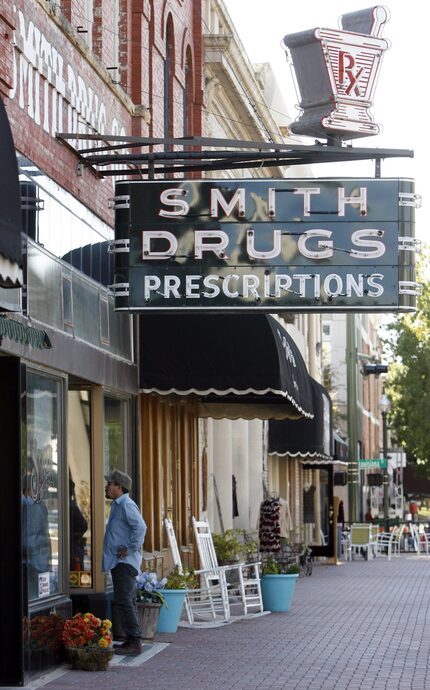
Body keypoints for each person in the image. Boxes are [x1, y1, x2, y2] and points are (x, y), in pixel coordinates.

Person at [103, 469, 146, 656]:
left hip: (125, 562)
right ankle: (131, 640)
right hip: (119, 561)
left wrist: (129, 549)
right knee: (127, 601)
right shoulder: (117, 505)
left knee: (124, 601)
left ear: (119, 487)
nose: (107, 486)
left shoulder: (126, 505)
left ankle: (134, 641)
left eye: (110, 483)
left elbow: (141, 527)